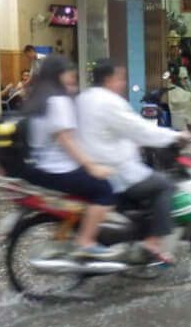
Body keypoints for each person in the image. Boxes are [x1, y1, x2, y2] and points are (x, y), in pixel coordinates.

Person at [77, 59, 191, 263]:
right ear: (109, 79)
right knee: (164, 186)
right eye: (120, 78)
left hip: (92, 166)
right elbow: (140, 129)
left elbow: (115, 131)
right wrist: (175, 136)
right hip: (115, 170)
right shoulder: (110, 102)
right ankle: (153, 242)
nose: (123, 83)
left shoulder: (84, 98)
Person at [21, 55, 120, 259]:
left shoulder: (38, 100)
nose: (73, 83)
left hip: (41, 168)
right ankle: (85, 241)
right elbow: (66, 140)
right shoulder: (58, 101)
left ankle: (69, 233)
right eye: (71, 78)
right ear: (59, 75)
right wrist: (92, 167)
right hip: (59, 169)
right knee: (106, 191)